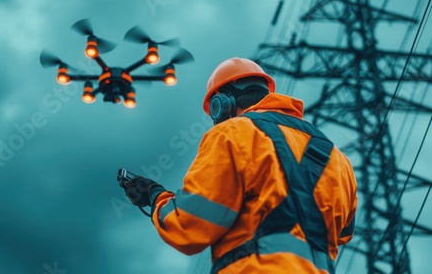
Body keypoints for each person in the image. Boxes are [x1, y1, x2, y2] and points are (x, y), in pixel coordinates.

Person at [118, 58, 358, 274]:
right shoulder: (338, 159)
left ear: (221, 104)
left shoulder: (232, 133)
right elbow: (343, 233)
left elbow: (188, 226)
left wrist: (154, 196)